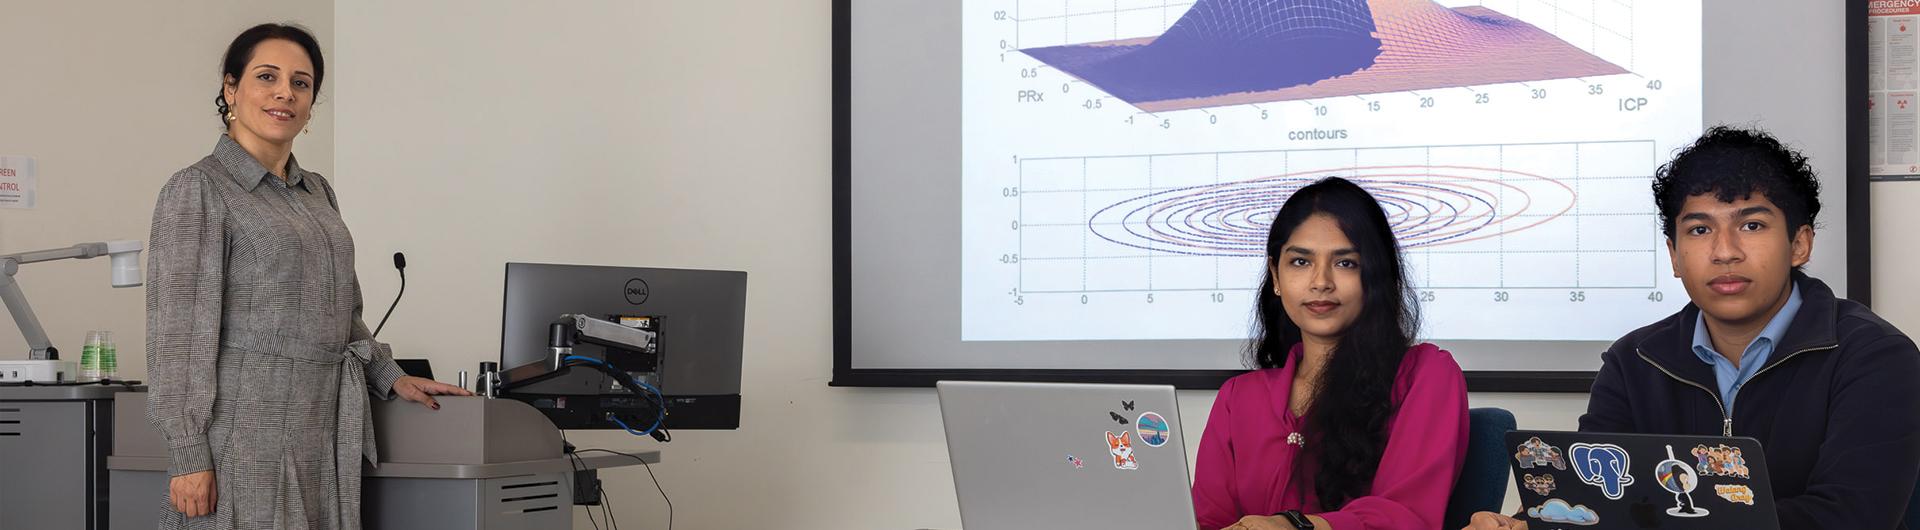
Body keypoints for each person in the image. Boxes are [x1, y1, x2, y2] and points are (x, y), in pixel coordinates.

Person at [1464, 126, 1920, 530]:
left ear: (1799, 243)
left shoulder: (1874, 356)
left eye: (1753, 225)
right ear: (1674, 255)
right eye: (1699, 230)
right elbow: (1595, 492)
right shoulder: (1633, 360)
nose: (1724, 252)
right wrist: (1526, 523)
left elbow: (1853, 517)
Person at [146, 23, 470, 529]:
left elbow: (345, 313)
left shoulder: (316, 193)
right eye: (267, 76)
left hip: (324, 427)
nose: (285, 93)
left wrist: (391, 376)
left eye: (301, 83)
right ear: (231, 89)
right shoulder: (200, 188)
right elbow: (178, 335)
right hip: (247, 430)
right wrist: (189, 453)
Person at [1193, 177, 1469, 530]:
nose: (1320, 281)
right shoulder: (1238, 398)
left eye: (1346, 263)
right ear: (1275, 275)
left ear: (1376, 275)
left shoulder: (1426, 375)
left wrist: (1294, 526)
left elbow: (1406, 515)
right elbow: (1207, 520)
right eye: (1300, 262)